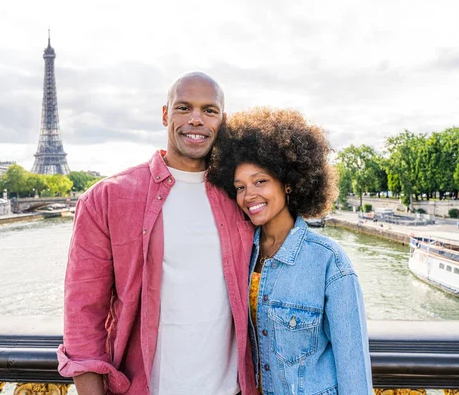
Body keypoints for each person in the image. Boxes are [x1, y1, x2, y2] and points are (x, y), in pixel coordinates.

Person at [57, 72, 257, 395]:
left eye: (209, 110)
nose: (196, 119)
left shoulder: (243, 198)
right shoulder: (106, 200)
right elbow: (83, 316)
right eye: (183, 108)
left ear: (223, 120)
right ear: (165, 115)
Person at [208, 107, 373, 394]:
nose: (249, 196)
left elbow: (353, 368)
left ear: (287, 183)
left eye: (260, 181)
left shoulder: (328, 261)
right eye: (240, 187)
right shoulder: (242, 255)